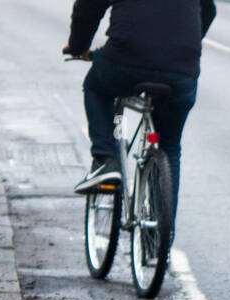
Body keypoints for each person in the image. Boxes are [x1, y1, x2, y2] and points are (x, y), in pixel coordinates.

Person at [64, 0, 216, 218]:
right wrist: (181, 46)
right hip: (182, 69)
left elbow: (88, 7)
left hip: (126, 59)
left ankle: (106, 159)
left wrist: (78, 47)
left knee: (95, 88)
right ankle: (162, 242)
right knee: (170, 146)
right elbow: (208, 10)